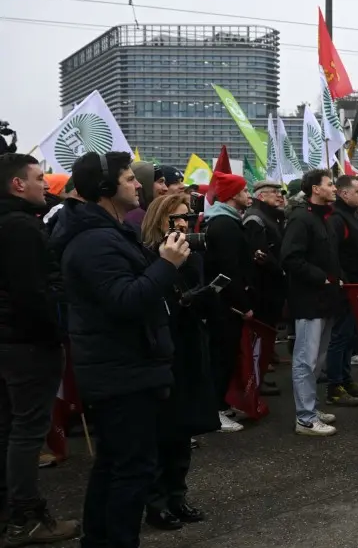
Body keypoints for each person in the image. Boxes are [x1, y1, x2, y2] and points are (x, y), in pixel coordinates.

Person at [52, 151, 190, 548]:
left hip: (124, 366)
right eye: (129, 178)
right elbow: (126, 300)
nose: (137, 185)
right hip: (121, 371)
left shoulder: (107, 233)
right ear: (105, 188)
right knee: (132, 469)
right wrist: (166, 265)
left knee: (115, 463)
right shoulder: (95, 241)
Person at [0, 153, 80, 545]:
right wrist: (55, 333)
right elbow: (33, 294)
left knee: (9, 428)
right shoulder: (20, 227)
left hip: (10, 341)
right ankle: (25, 517)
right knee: (28, 431)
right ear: (18, 184)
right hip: (27, 344)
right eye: (38, 177)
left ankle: (10, 512)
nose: (45, 184)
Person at [139, 194, 218, 531]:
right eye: (177, 218)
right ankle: (156, 503)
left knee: (183, 429)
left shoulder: (192, 255)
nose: (184, 224)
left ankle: (177, 496)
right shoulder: (147, 256)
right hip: (161, 352)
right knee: (162, 430)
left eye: (187, 217)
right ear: (160, 220)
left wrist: (202, 297)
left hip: (189, 346)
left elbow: (199, 300)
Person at [281, 169, 342, 436]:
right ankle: (305, 418)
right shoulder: (301, 219)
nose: (334, 188)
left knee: (317, 359)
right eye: (329, 184)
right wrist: (321, 278)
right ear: (315, 189)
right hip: (309, 301)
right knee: (305, 360)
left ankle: (311, 408)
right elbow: (290, 258)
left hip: (325, 300)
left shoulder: (322, 217)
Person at [202, 171, 255, 434]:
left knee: (226, 356)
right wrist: (243, 304)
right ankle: (214, 411)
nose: (249, 195)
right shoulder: (224, 225)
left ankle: (220, 404)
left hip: (225, 303)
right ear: (233, 196)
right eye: (244, 191)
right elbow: (229, 270)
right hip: (224, 306)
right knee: (221, 357)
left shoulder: (226, 221)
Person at [324, 175, 358, 408]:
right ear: (344, 193)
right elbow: (333, 254)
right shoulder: (337, 218)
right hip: (347, 287)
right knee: (340, 337)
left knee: (350, 336)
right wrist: (343, 280)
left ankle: (346, 379)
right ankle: (335, 386)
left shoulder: (350, 215)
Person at [243, 180, 287, 389]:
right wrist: (280, 269)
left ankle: (260, 374)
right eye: (274, 192)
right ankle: (255, 381)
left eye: (280, 192)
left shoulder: (270, 216)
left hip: (272, 284)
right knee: (260, 334)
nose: (279, 196)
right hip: (263, 286)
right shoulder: (255, 218)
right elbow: (258, 255)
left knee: (267, 332)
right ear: (261, 196)